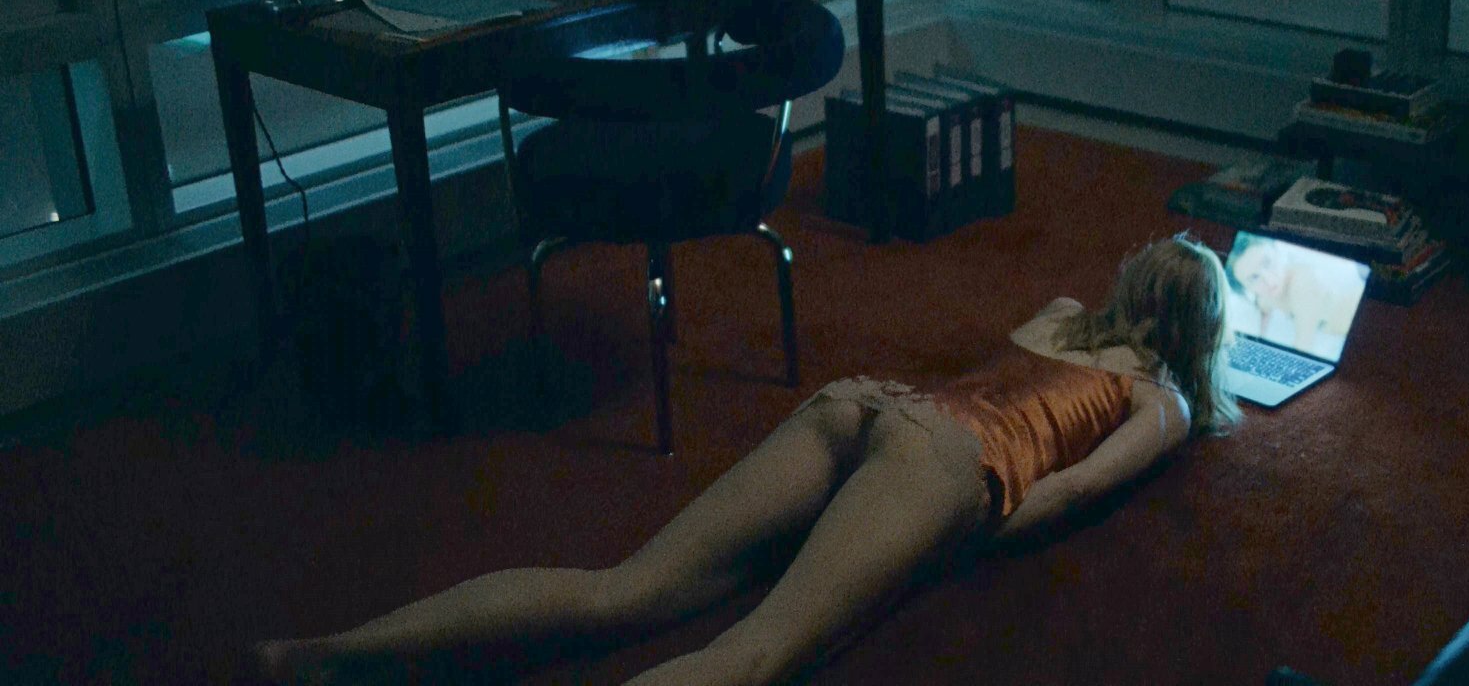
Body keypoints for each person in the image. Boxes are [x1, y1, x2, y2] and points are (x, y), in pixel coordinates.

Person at [254, 235, 1241, 686]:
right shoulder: (1165, 402)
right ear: (1203, 332)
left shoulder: (1062, 318)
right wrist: (959, 530)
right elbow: (1070, 488)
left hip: (863, 404)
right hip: (945, 460)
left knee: (625, 587)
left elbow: (1016, 375)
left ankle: (321, 654)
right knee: (757, 654)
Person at [1225, 236, 1365, 359]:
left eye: (1267, 262)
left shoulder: (1304, 281)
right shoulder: (1268, 295)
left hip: (1369, 327)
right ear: (1247, 289)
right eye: (1254, 278)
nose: (1270, 280)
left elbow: (1301, 352)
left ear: (1277, 251)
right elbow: (1263, 305)